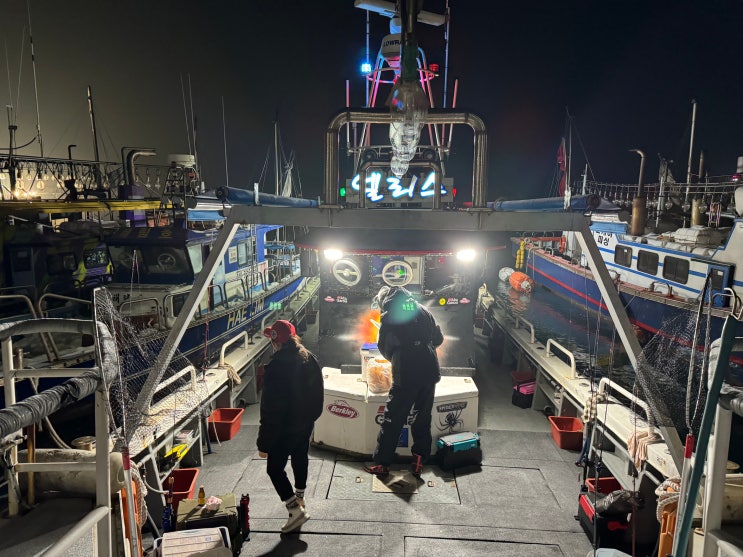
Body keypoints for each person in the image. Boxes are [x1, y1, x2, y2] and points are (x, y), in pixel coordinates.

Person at [364, 286, 444, 478]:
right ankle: (419, 461)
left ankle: (383, 464)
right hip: (429, 369)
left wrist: (400, 356)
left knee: (393, 418)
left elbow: (384, 348)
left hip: (406, 373)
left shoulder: (389, 316)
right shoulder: (422, 310)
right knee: (422, 417)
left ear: (384, 300)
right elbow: (438, 338)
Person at [256, 319, 324, 534]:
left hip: (283, 429)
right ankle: (300, 498)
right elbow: (318, 392)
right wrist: (310, 418)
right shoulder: (308, 357)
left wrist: (263, 444)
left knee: (274, 469)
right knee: (300, 457)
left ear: (276, 341)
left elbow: (270, 410)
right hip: (305, 423)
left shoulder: (276, 367)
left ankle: (294, 509)